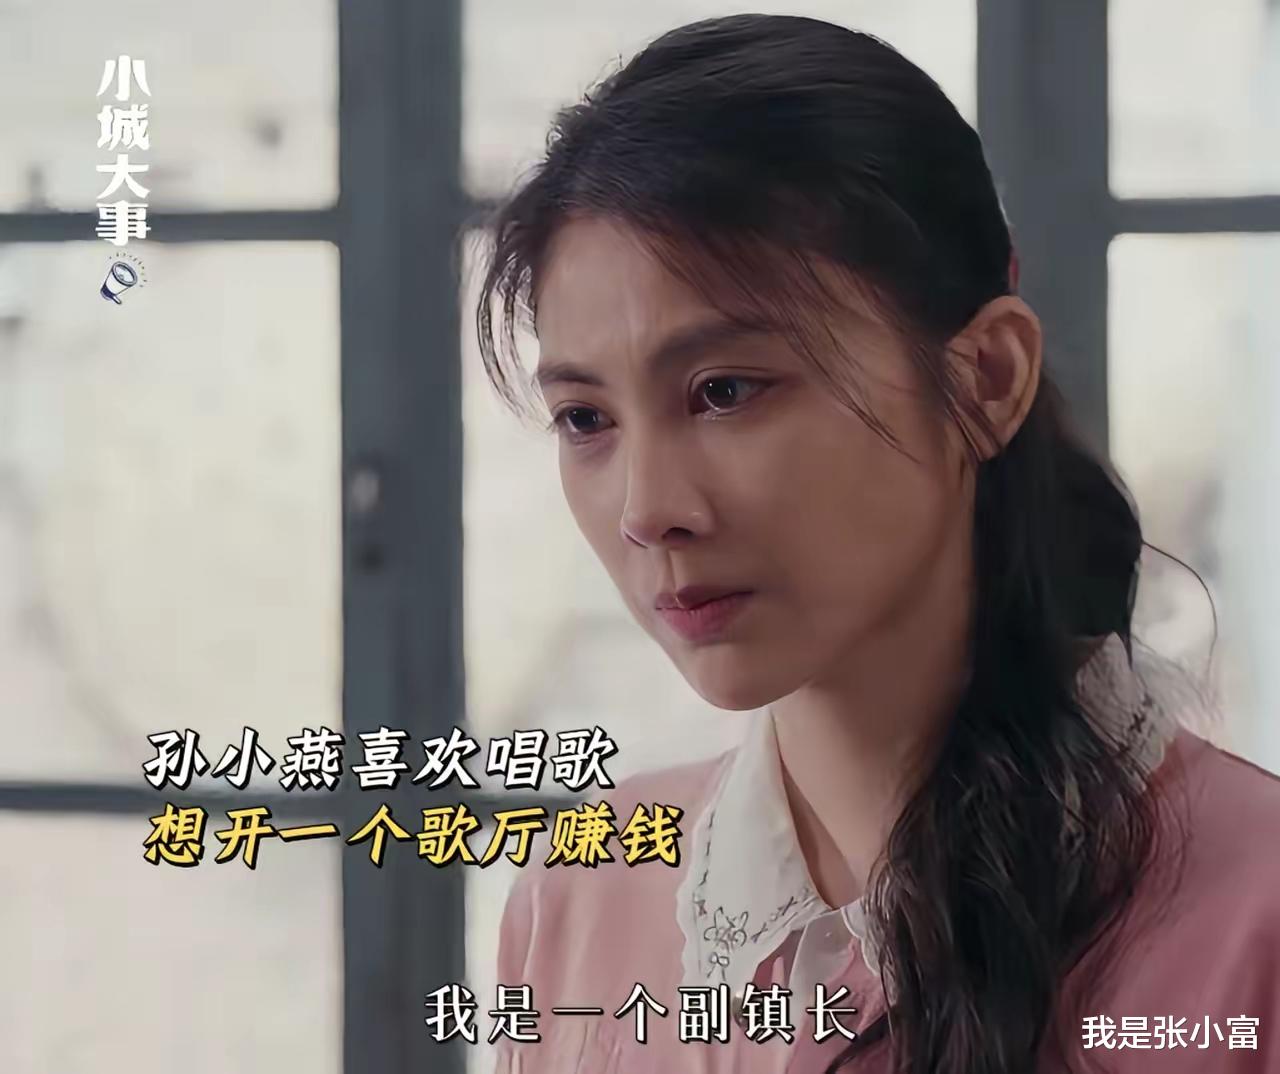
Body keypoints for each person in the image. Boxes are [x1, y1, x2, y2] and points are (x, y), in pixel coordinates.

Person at [469, 14, 1280, 1074]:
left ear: (985, 379)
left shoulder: (1254, 915)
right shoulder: (579, 901)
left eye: (725, 391)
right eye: (585, 419)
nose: (646, 509)